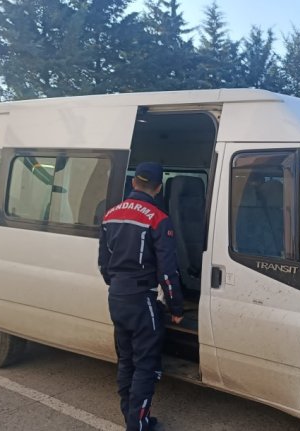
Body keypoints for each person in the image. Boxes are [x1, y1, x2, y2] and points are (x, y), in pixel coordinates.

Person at [98, 162, 184, 431]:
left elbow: (103, 264)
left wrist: (118, 285)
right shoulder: (158, 218)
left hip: (116, 296)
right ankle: (138, 424)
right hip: (141, 299)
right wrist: (176, 308)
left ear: (134, 182)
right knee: (146, 364)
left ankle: (131, 417)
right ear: (158, 188)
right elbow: (167, 272)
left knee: (126, 360)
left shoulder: (110, 215)